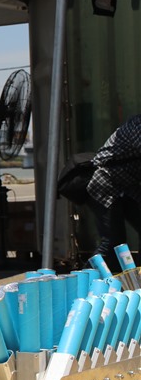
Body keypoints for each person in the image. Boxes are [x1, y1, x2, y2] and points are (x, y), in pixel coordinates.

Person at [86, 114, 141, 269]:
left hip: (127, 187)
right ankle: (85, 278)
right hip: (106, 185)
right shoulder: (138, 125)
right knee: (112, 241)